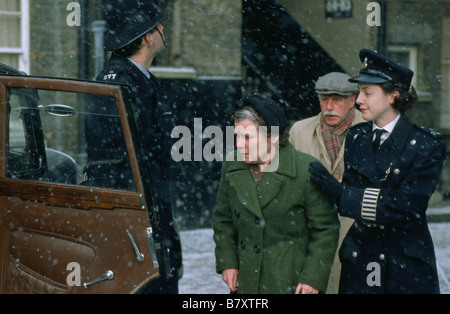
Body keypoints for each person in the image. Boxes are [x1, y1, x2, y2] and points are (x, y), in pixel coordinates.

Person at [309, 49, 446, 294]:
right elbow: (360, 195)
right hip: (361, 257)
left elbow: (405, 206)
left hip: (404, 265)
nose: (358, 99)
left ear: (393, 96)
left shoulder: (427, 144)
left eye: (366, 93)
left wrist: (341, 193)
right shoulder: (357, 136)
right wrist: (344, 194)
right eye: (359, 91)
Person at [91, 0, 181, 293]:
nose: (164, 29)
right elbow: (145, 150)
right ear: (148, 37)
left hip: (142, 210)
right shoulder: (124, 83)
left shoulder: (134, 79)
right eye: (159, 25)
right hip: (136, 215)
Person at [212, 95, 339, 294]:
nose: (238, 144)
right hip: (247, 281)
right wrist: (228, 262)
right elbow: (223, 220)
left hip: (289, 280)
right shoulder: (232, 164)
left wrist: (312, 278)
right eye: (236, 136)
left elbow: (325, 230)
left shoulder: (305, 169)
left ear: (273, 136)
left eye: (248, 137)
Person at [289, 72, 365, 294]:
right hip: (311, 233)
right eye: (324, 99)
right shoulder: (300, 131)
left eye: (337, 99)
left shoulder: (371, 129)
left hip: (356, 232)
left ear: (353, 100)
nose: (329, 106)